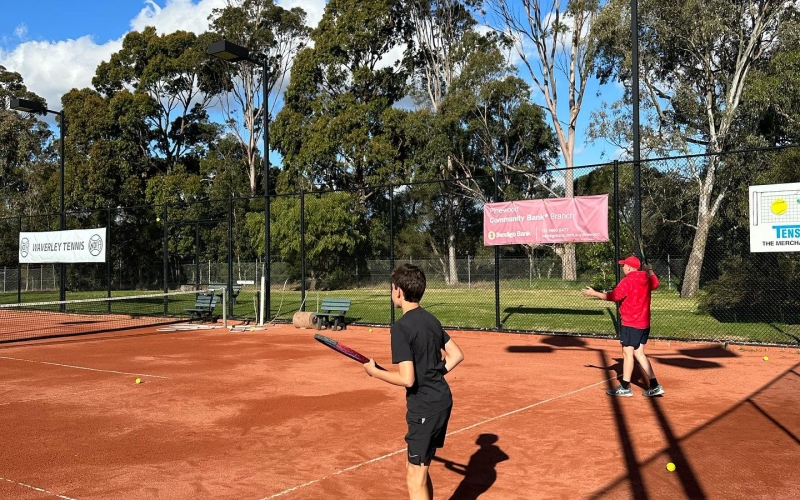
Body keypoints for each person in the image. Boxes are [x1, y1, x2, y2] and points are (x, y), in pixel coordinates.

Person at [364, 263, 465, 500]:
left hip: (425, 408)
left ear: (398, 291)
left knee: (414, 478)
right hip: (441, 400)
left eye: (392, 288)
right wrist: (434, 373)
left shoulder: (401, 328)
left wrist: (375, 372)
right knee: (417, 470)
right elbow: (457, 355)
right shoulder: (430, 319)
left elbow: (407, 379)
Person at [582, 255, 664, 397]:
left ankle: (625, 387)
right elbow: (655, 283)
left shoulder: (628, 281)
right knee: (639, 353)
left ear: (629, 268)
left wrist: (593, 293)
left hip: (631, 323)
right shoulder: (646, 278)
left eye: (624, 265)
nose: (622, 267)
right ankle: (655, 385)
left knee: (627, 353)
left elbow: (613, 296)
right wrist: (650, 270)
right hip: (644, 323)